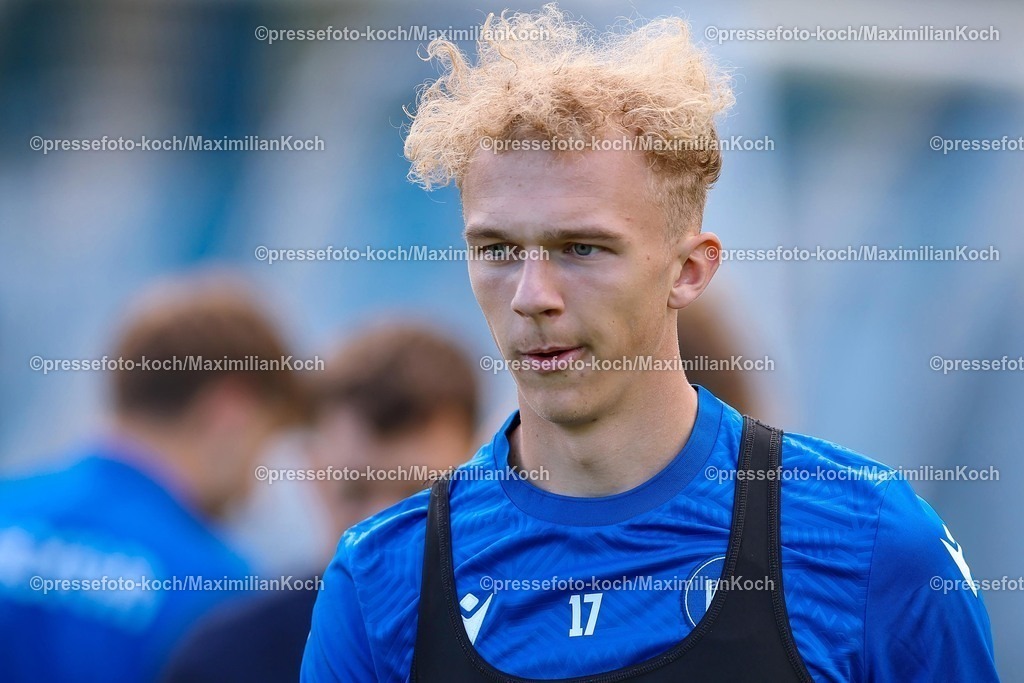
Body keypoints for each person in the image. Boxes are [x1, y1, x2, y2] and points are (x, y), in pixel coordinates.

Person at [301, 6, 998, 682]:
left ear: (689, 270)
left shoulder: (870, 542)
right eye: (498, 248)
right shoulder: (381, 579)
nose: (531, 293)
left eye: (581, 247)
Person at [0, 275, 308, 683]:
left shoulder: (9, 507)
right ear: (231, 410)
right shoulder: (221, 590)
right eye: (266, 440)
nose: (256, 484)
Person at [161, 322, 480, 682]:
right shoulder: (223, 661)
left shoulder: (537, 637)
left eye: (418, 494)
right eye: (356, 491)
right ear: (316, 476)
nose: (381, 526)